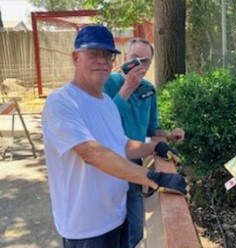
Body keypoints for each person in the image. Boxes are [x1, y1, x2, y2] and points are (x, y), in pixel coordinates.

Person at [42, 25, 187, 247]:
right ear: (75, 57)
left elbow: (125, 145)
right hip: (87, 227)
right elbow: (92, 153)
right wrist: (152, 178)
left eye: (107, 55)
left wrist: (155, 147)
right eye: (93, 53)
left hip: (116, 216)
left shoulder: (107, 103)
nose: (101, 60)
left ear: (112, 62)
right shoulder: (61, 102)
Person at [103, 37, 185, 247]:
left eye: (145, 61)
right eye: (134, 58)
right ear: (124, 58)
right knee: (108, 227)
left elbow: (151, 127)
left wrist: (168, 135)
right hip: (106, 164)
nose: (139, 64)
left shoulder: (149, 90)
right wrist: (128, 88)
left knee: (135, 225)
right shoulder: (108, 83)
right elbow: (104, 122)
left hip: (134, 164)